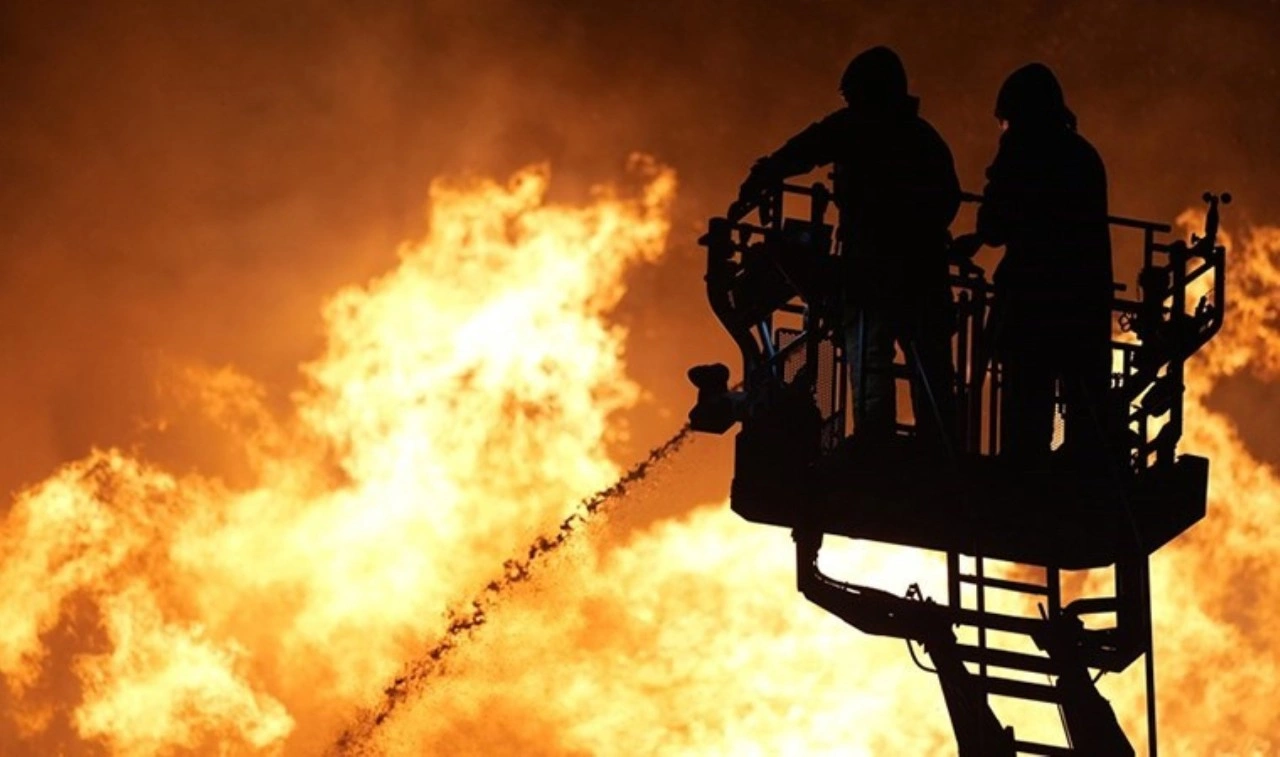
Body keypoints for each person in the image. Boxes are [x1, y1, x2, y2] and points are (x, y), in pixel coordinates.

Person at [737, 46, 960, 450]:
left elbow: (809, 146)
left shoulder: (859, 127)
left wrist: (764, 174)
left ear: (869, 92)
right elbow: (948, 201)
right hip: (923, 273)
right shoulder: (924, 139)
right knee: (929, 360)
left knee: (868, 353)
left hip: (873, 271)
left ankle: (876, 441)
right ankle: (941, 444)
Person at [952, 63, 1114, 467]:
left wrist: (982, 227)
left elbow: (996, 224)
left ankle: (1024, 475)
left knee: (1027, 407)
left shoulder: (1023, 150)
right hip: (1084, 305)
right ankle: (1083, 470)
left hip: (1031, 305)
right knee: (1084, 404)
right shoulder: (1083, 155)